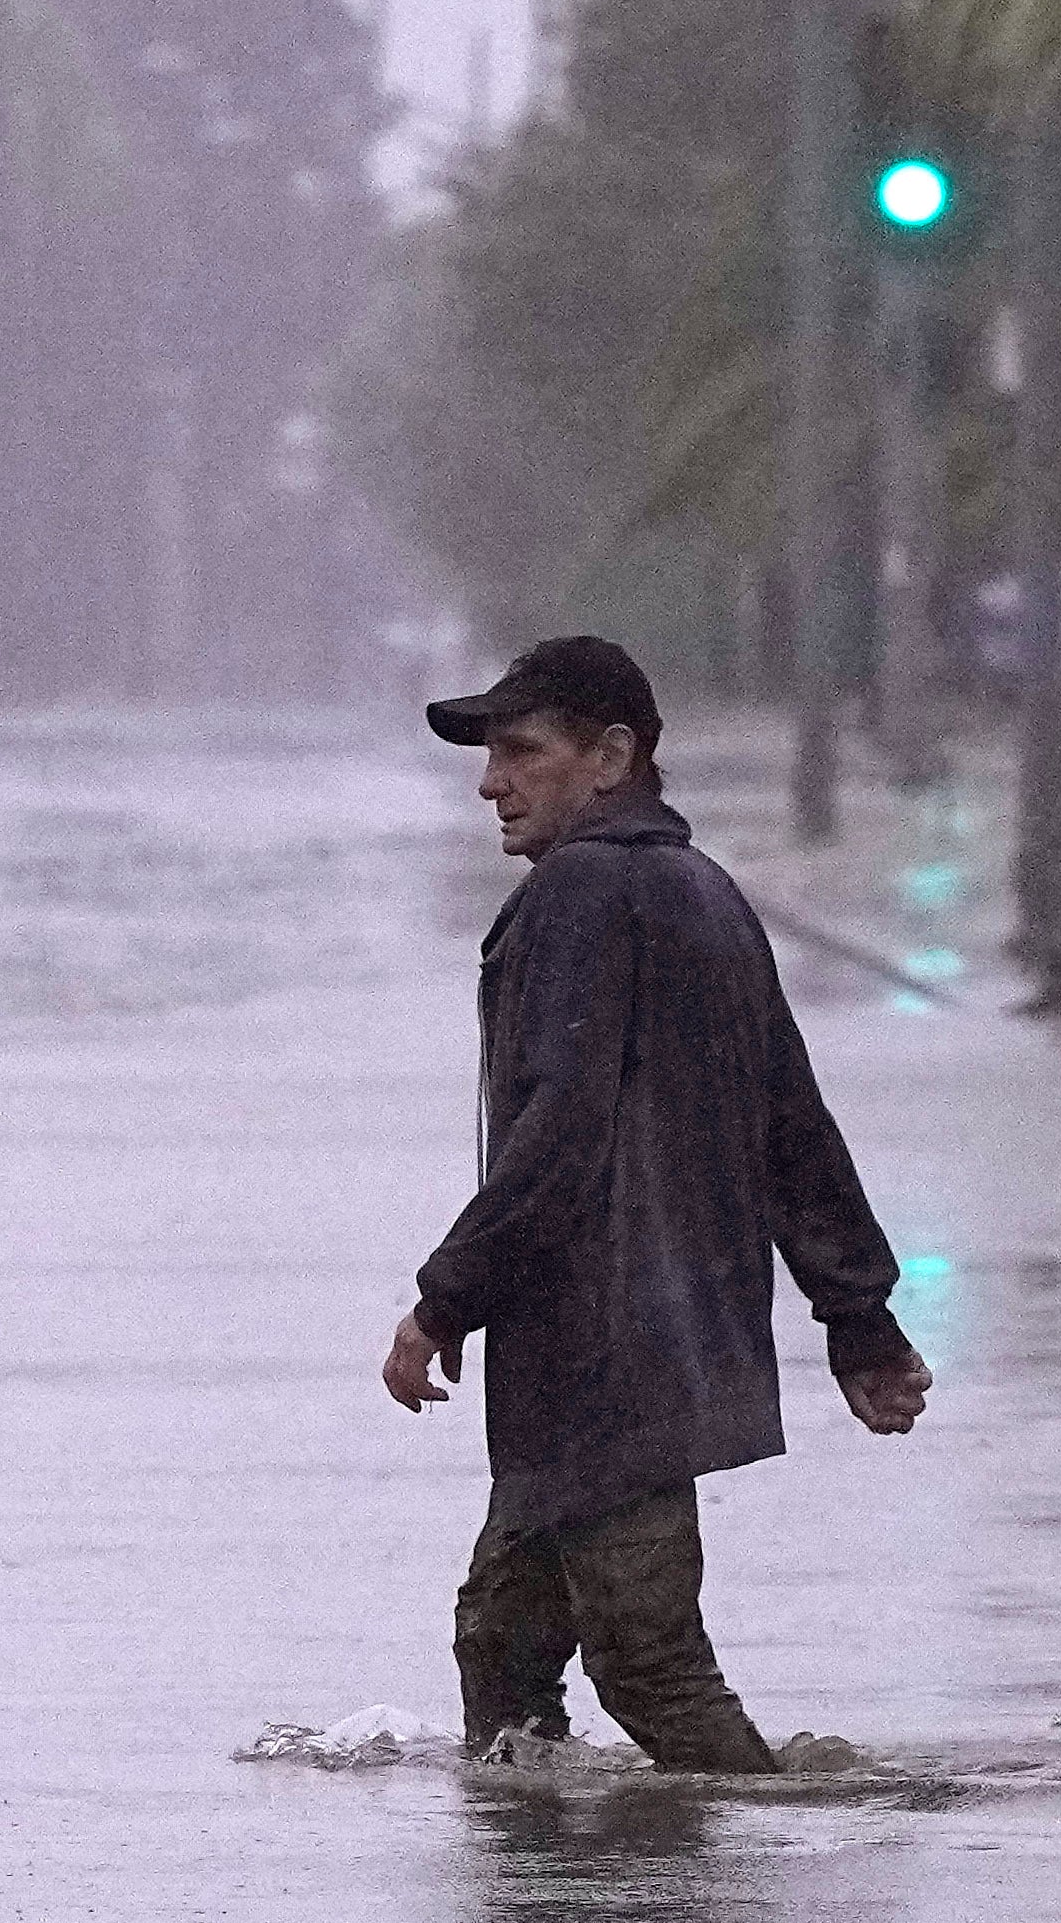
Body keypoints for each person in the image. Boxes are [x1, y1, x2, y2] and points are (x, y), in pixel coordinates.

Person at [380, 637, 931, 1772]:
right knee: (501, 1643)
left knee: (646, 1664)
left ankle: (710, 1913)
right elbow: (793, 1122)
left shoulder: (580, 892)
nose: (490, 782)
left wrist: (442, 1301)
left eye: (521, 752)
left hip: (602, 1357)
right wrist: (857, 1318)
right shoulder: (702, 892)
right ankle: (552, 1897)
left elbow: (557, 1137)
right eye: (488, 756)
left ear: (610, 757)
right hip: (660, 1346)